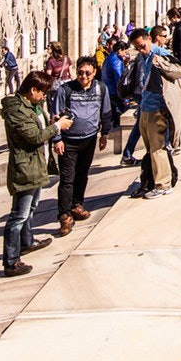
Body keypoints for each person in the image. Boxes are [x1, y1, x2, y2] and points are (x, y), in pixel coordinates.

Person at [0, 71, 73, 277]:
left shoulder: (33, 105)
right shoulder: (16, 110)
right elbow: (33, 136)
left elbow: (40, 127)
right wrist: (57, 127)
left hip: (37, 163)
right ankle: (11, 261)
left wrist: (53, 122)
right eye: (43, 93)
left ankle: (27, 241)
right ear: (33, 90)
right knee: (18, 215)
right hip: (25, 167)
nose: (44, 97)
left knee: (31, 208)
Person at [51, 56, 112, 236]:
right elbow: (55, 115)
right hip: (68, 141)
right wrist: (57, 139)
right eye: (80, 72)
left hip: (89, 138)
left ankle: (77, 205)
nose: (83, 76)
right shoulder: (66, 90)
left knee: (82, 174)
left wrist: (105, 133)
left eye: (87, 73)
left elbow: (105, 111)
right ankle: (64, 215)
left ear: (94, 73)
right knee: (67, 179)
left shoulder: (100, 88)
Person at [128, 28, 181, 199]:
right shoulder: (142, 56)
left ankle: (163, 184)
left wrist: (161, 63)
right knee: (150, 148)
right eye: (137, 48)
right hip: (145, 106)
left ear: (149, 39)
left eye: (142, 46)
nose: (140, 50)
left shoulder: (161, 54)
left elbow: (178, 71)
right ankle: (154, 179)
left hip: (157, 107)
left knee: (157, 147)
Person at [101, 39, 129, 127]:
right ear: (119, 50)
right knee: (125, 111)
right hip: (114, 91)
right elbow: (119, 79)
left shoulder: (110, 58)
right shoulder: (115, 61)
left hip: (108, 90)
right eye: (124, 51)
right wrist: (125, 98)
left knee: (113, 114)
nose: (125, 54)